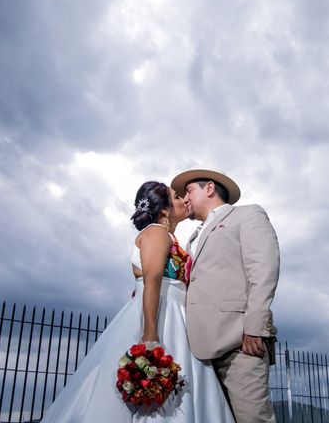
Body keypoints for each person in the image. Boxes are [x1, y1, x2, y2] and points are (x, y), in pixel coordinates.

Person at [41, 181, 235, 422]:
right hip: (165, 316)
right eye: (178, 197)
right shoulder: (157, 232)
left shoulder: (169, 237)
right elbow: (152, 279)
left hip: (176, 311)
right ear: (164, 210)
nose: (185, 200)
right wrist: (151, 334)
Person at [171, 169, 280, 423]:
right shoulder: (191, 239)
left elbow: (264, 269)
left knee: (252, 418)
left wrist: (255, 327)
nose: (185, 199)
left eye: (189, 191)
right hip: (199, 348)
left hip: (240, 342)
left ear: (209, 189)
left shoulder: (247, 214)